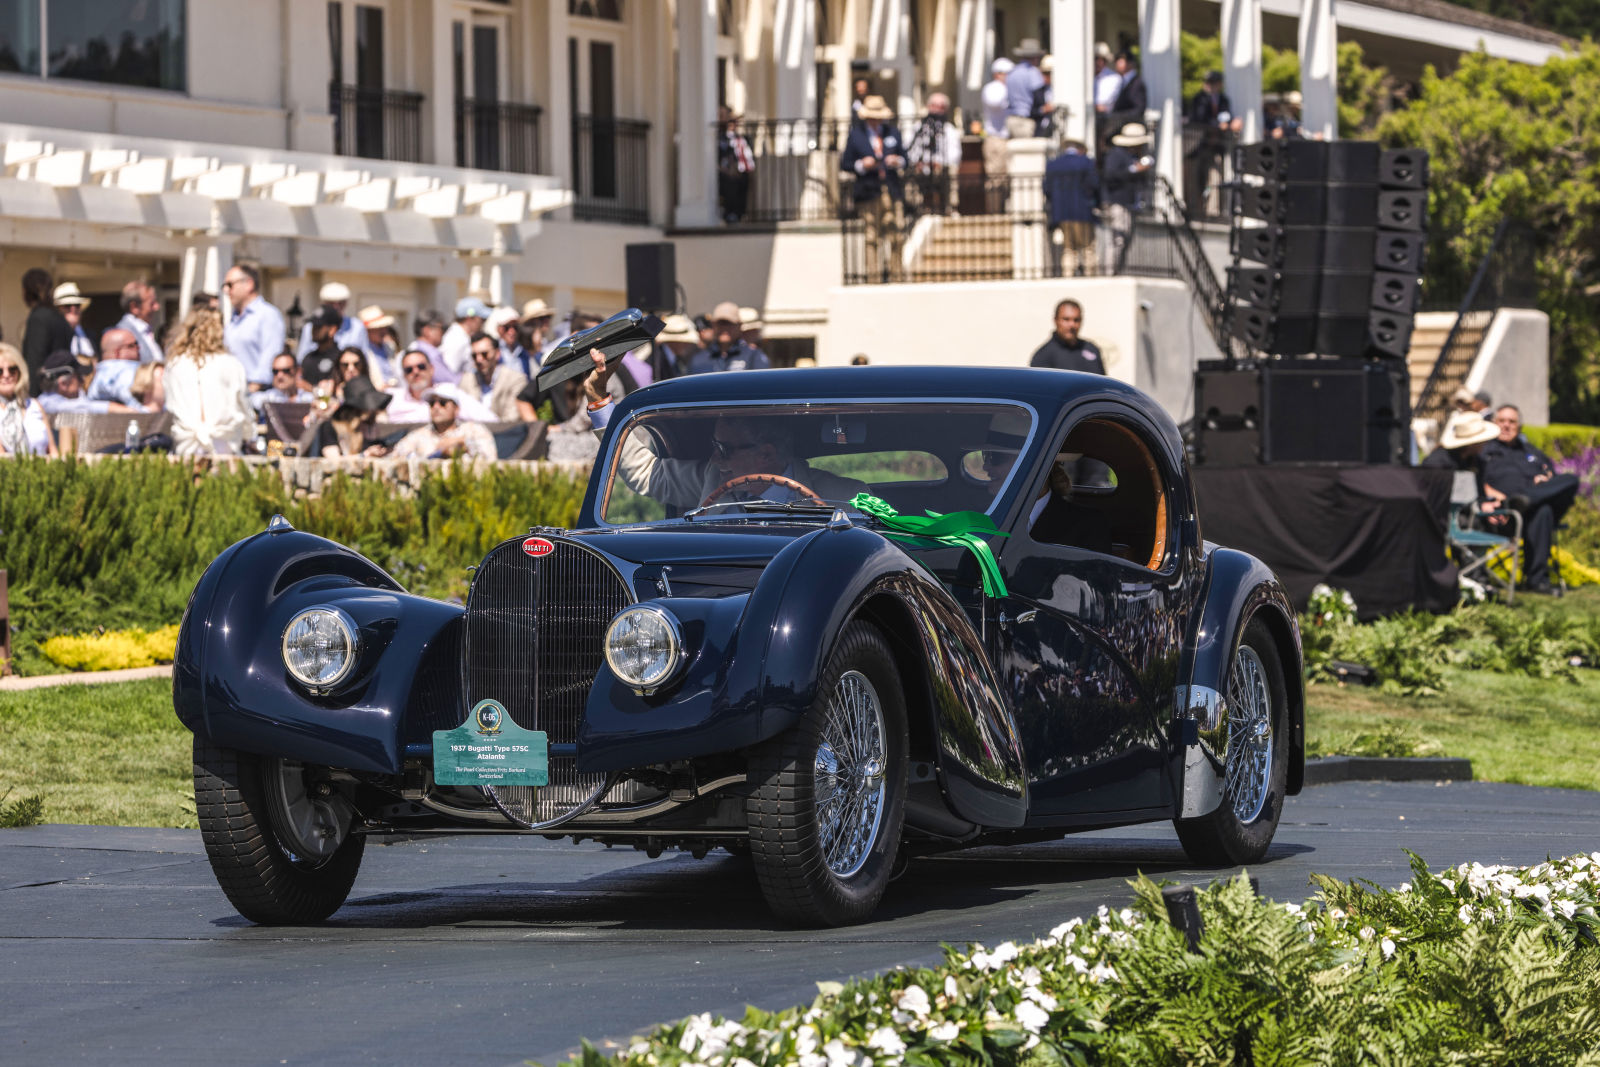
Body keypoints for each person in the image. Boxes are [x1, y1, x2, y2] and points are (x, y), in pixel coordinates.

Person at [581, 353, 866, 509]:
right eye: (715, 447)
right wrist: (598, 400)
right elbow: (644, 472)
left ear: (766, 454)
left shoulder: (845, 496)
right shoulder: (711, 480)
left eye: (724, 450)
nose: (715, 460)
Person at [1482, 405, 1580, 594]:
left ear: (1519, 426)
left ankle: (1527, 499)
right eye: (1502, 421)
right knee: (1544, 511)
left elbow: (1550, 472)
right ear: (1494, 423)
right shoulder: (1484, 451)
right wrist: (1492, 496)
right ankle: (1537, 580)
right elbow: (1475, 479)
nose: (1506, 426)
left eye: (1512, 422)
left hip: (1530, 511)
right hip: (1504, 513)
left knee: (1570, 480)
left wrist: (1546, 479)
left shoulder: (1531, 451)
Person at [163, 308, 253, 456]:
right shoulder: (230, 363)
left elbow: (171, 405)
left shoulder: (175, 364)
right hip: (224, 441)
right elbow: (243, 403)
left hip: (186, 442)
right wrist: (249, 433)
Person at [841, 95, 908, 284]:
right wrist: (863, 165)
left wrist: (897, 161)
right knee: (871, 237)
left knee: (897, 234)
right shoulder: (856, 135)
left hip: (891, 189)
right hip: (869, 191)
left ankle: (897, 276)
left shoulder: (892, 133)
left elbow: (906, 158)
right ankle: (873, 278)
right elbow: (845, 163)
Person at [386, 348, 497, 423]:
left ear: (432, 369)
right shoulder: (392, 397)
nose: (416, 372)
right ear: (404, 375)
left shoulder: (448, 391)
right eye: (409, 369)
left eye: (421, 366)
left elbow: (489, 419)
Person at [221, 263, 287, 390]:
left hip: (255, 397)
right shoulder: (233, 320)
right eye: (225, 286)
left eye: (230, 285)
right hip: (231, 394)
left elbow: (270, 358)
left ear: (249, 284)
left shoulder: (267, 315)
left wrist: (252, 390)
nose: (226, 290)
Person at [1100, 124, 1152, 275]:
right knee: (1118, 239)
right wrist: (1134, 170)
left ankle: (1117, 271)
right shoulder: (1116, 154)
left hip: (1129, 204)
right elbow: (1110, 176)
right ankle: (1110, 273)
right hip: (1118, 202)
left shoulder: (1132, 157)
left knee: (1125, 239)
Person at [1186, 71, 1240, 219]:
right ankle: (1195, 209)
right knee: (1197, 179)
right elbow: (1197, 118)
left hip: (1216, 146)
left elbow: (1227, 116)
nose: (1211, 86)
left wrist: (1230, 124)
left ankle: (1212, 211)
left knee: (1215, 179)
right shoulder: (1199, 99)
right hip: (1199, 146)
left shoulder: (1223, 100)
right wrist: (1217, 125)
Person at [392, 386, 498, 461]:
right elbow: (396, 458)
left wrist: (465, 443)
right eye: (432, 403)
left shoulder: (475, 430)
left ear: (456, 409)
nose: (436, 407)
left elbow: (490, 459)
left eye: (443, 403)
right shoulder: (417, 436)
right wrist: (438, 453)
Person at [1043, 141, 1099, 276]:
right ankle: (1089, 275)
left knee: (1068, 248)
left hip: (1061, 214)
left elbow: (1046, 189)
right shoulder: (1086, 162)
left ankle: (1068, 276)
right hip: (1083, 212)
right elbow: (1094, 185)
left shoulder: (1053, 164)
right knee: (1087, 247)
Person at [906, 92, 963, 215]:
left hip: (940, 168)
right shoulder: (917, 128)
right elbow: (909, 149)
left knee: (952, 171)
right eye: (933, 106)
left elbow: (955, 155)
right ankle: (915, 209)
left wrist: (939, 163)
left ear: (946, 109)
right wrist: (918, 162)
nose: (936, 110)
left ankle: (951, 208)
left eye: (940, 107)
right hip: (920, 168)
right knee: (908, 173)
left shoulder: (949, 130)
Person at [311, 376, 392, 458]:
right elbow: (333, 461)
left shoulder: (369, 429)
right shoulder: (329, 427)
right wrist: (364, 455)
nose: (374, 410)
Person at [36, 350, 133, 416]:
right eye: (79, 377)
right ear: (63, 384)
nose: (82, 382)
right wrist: (136, 412)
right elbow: (87, 407)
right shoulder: (48, 404)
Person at [465, 331, 533, 422]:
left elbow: (512, 419)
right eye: (474, 356)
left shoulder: (515, 380)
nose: (479, 359)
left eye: (484, 354)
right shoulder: (467, 380)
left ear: (497, 354)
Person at [687, 302, 771, 375]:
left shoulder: (753, 356)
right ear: (713, 325)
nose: (724, 328)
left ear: (739, 325)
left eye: (729, 323)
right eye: (720, 323)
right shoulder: (699, 359)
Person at [0, 343, 53, 456]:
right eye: (0, 371)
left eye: (12, 370)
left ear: (20, 372)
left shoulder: (34, 405)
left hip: (44, 470)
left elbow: (52, 450)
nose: (6, 375)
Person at [295, 282, 371, 360]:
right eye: (331, 303)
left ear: (346, 303)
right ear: (323, 303)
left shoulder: (357, 326)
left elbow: (364, 357)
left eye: (340, 303)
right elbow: (302, 357)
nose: (336, 307)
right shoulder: (311, 326)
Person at [20, 268, 72, 381]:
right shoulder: (58, 317)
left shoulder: (38, 318)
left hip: (46, 388)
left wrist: (32, 395)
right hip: (62, 383)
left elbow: (35, 361)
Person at [1030, 299, 1106, 373]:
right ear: (1055, 320)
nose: (1072, 325)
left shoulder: (1092, 349)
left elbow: (1104, 384)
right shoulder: (1042, 356)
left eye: (1076, 320)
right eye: (1066, 319)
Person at [88, 327, 145, 408]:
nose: (138, 348)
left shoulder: (98, 373)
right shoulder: (124, 369)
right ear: (117, 352)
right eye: (132, 345)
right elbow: (134, 403)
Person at [717, 106, 755, 224]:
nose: (734, 125)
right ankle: (731, 215)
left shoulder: (742, 138)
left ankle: (740, 214)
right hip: (728, 172)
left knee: (742, 193)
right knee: (730, 192)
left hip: (742, 170)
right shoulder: (722, 138)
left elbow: (747, 152)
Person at [115, 279, 165, 365]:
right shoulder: (123, 334)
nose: (157, 307)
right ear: (134, 307)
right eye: (152, 303)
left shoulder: (145, 331)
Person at [1005, 39, 1047, 138]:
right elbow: (1039, 98)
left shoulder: (1012, 73)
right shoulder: (1033, 72)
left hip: (1011, 120)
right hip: (1027, 121)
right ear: (1035, 57)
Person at [441, 297, 489, 381]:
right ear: (469, 318)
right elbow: (449, 373)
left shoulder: (461, 337)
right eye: (482, 319)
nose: (483, 323)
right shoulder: (457, 340)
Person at [298, 306, 344, 393]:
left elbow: (339, 390)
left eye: (319, 327)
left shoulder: (340, 358)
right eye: (313, 326)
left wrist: (312, 390)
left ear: (332, 330)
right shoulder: (308, 357)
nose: (314, 330)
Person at [250, 353, 314, 414]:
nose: (279, 376)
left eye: (286, 371)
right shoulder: (268, 397)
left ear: (298, 371)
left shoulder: (310, 397)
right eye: (275, 371)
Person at [981, 59, 1013, 179]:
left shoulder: (1007, 88)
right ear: (997, 74)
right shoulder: (993, 88)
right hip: (997, 139)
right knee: (996, 177)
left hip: (1009, 139)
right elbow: (995, 103)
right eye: (1007, 74)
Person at [358, 305, 401, 387]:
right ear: (368, 331)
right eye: (378, 329)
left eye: (384, 328)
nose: (383, 331)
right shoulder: (363, 352)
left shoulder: (390, 347)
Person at [1108, 52, 1148, 140]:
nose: (1117, 64)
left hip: (1128, 127)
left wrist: (1118, 117)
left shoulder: (1136, 83)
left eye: (1120, 61)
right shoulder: (1122, 81)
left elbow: (1138, 109)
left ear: (1130, 63)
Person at [54, 283, 96, 364]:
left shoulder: (91, 335)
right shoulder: (55, 337)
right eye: (67, 305)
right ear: (58, 309)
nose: (73, 308)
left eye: (77, 305)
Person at [1032, 55, 1057, 141]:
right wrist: (1043, 109)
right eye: (1043, 73)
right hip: (1042, 131)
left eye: (1048, 73)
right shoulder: (1038, 91)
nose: (1045, 76)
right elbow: (1031, 111)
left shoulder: (1063, 91)